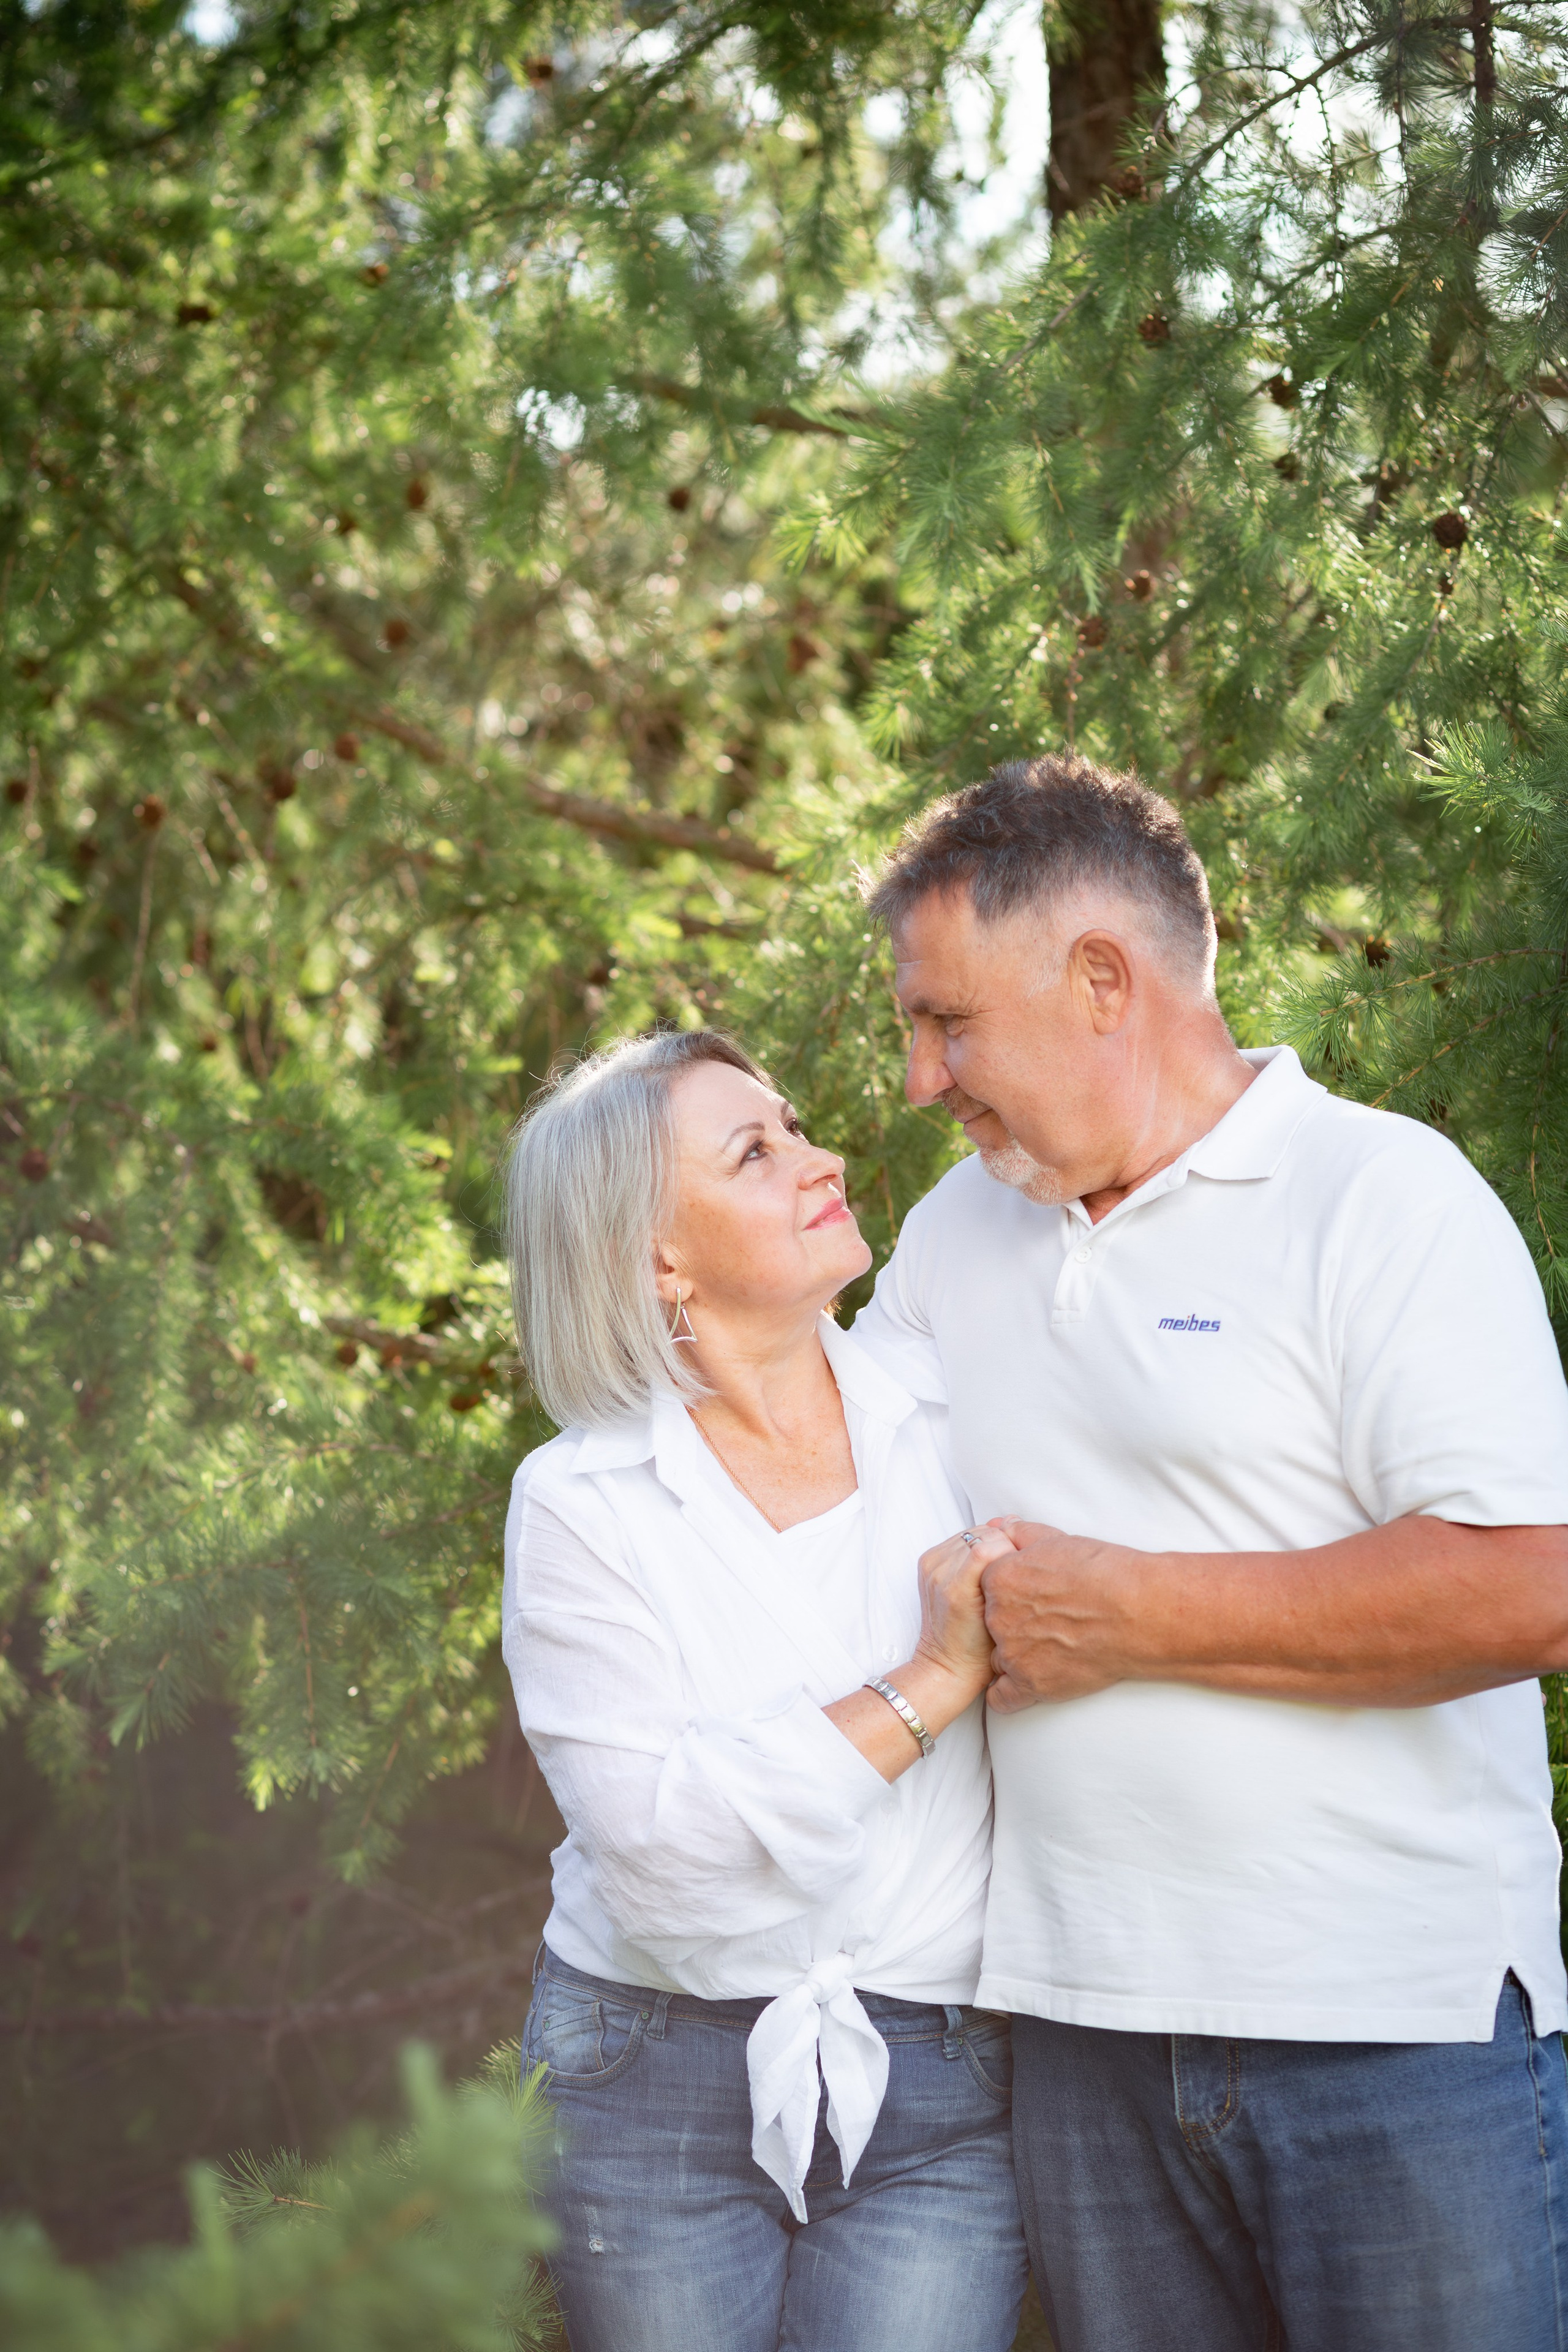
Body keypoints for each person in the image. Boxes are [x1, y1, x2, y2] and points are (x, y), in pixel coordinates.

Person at [853, 752, 1568, 2352]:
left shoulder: (1380, 1200)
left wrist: (1133, 1617)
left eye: (947, 1024)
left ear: (1102, 978)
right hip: (1082, 2040)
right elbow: (822, 1493)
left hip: (1391, 2044)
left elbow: (1534, 1585)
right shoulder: (956, 1234)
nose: (918, 1080)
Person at [499, 1029, 1028, 2352]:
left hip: (940, 2073)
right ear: (655, 1256)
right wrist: (927, 1685)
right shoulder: (577, 1501)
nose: (821, 1158)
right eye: (755, 1152)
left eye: (793, 1127)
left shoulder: (954, 1419)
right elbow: (661, 1862)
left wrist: (770, 1776)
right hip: (646, 2077)